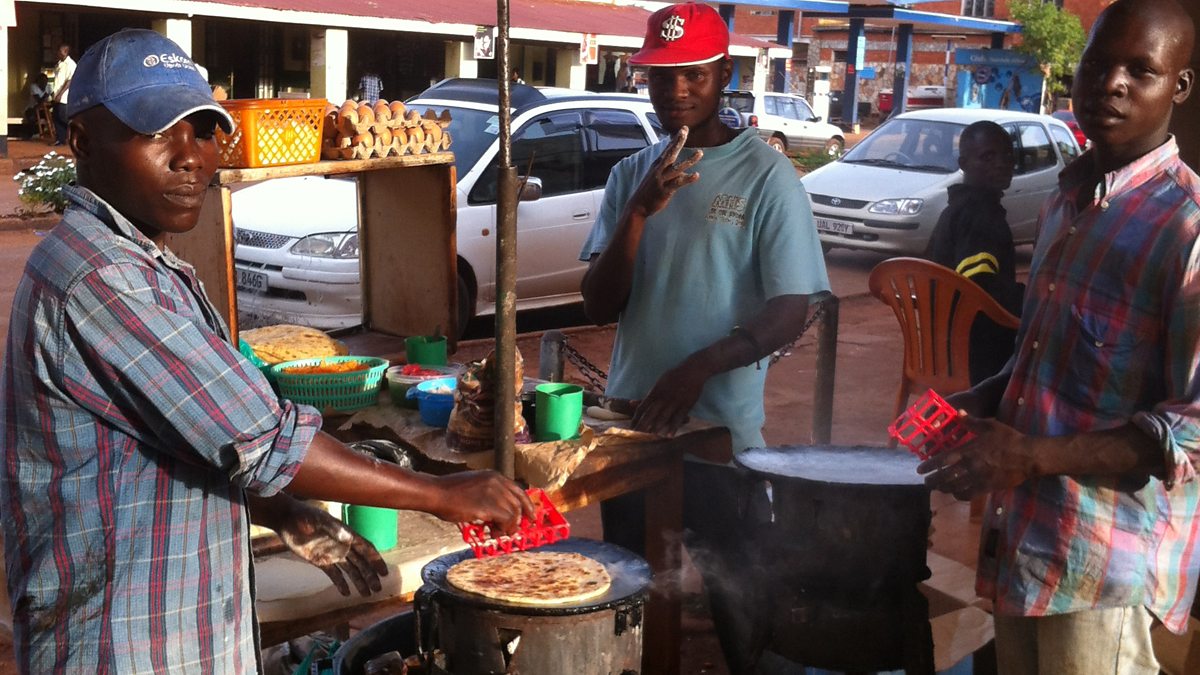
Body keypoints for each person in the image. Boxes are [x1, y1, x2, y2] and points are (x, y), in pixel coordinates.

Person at [0, 28, 532, 672]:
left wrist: (281, 509)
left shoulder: (137, 261)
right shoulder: (103, 279)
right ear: (83, 141)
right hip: (126, 644)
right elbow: (267, 439)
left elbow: (176, 440)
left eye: (204, 132)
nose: (191, 157)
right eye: (157, 132)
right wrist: (443, 493)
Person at [918, 1, 1199, 673]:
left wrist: (1029, 457)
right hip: (1026, 540)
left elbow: (1192, 427)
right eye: (1097, 65)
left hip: (1106, 571)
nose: (1111, 85)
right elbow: (1042, 356)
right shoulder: (1065, 201)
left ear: (1179, 86)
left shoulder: (1187, 228)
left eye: (1140, 70)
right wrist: (984, 398)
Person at [579, 3, 829, 671]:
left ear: (725, 75)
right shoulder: (631, 176)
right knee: (631, 601)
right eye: (662, 77)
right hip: (631, 427)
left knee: (744, 608)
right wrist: (639, 213)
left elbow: (790, 309)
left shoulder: (766, 175)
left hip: (721, 434)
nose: (677, 91)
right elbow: (599, 304)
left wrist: (697, 369)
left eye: (694, 75)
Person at [928, 120, 1024, 385]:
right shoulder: (980, 214)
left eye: (1007, 156)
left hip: (941, 347)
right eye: (988, 157)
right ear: (964, 164)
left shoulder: (957, 208)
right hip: (974, 355)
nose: (1001, 164)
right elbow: (978, 287)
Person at [50, 42, 75, 146]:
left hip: (64, 97)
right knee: (56, 117)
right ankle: (60, 139)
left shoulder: (71, 64)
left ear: (65, 52)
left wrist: (60, 94)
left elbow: (69, 81)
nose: (58, 53)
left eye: (60, 51)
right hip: (56, 95)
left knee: (63, 117)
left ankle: (74, 134)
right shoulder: (59, 64)